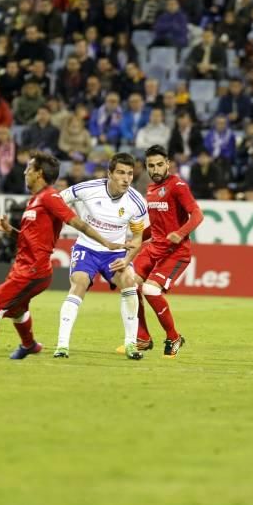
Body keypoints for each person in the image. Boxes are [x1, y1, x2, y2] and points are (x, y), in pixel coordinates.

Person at [0, 151, 129, 360]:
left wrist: (105, 242)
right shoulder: (36, 201)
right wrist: (10, 230)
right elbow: (30, 238)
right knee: (16, 309)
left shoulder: (51, 197)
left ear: (39, 174)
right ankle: (29, 344)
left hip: (33, 270)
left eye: (29, 168)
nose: (25, 172)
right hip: (24, 266)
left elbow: (76, 222)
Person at [53, 153, 147, 360]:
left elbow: (138, 238)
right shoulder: (88, 188)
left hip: (115, 253)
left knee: (130, 282)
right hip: (87, 249)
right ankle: (62, 345)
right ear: (110, 174)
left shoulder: (137, 202)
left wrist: (128, 259)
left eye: (130, 174)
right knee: (79, 283)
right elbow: (57, 201)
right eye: (121, 173)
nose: (126, 178)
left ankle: (131, 344)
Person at [112, 144, 204, 358]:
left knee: (151, 290)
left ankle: (174, 337)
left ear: (168, 164)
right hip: (154, 248)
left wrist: (180, 233)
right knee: (128, 282)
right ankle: (142, 338)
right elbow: (156, 227)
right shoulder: (151, 190)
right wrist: (133, 240)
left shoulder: (178, 185)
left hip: (176, 252)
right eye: (151, 165)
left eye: (160, 165)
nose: (155, 169)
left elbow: (197, 215)